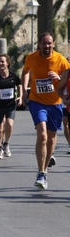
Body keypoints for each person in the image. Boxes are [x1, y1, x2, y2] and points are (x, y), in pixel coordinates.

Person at [21, 32, 69, 189]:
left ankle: (45, 170)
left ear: (53, 44)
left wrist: (58, 77)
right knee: (42, 135)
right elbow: (25, 72)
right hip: (36, 101)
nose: (47, 46)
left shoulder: (61, 60)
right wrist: (23, 91)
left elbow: (67, 79)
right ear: (39, 44)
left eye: (49, 43)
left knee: (51, 138)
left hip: (55, 103)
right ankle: (41, 172)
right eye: (44, 43)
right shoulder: (32, 58)